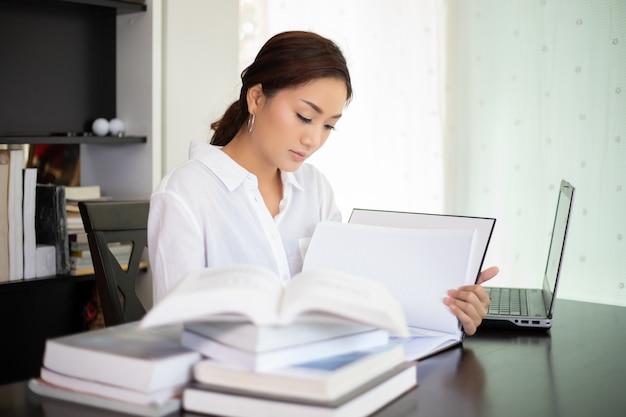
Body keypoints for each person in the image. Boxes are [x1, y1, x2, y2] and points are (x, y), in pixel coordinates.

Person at [148, 30, 498, 335]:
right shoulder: (186, 193)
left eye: (328, 125)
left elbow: (346, 294)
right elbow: (176, 330)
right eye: (304, 116)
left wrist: (446, 301)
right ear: (256, 98)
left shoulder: (313, 188)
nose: (314, 139)